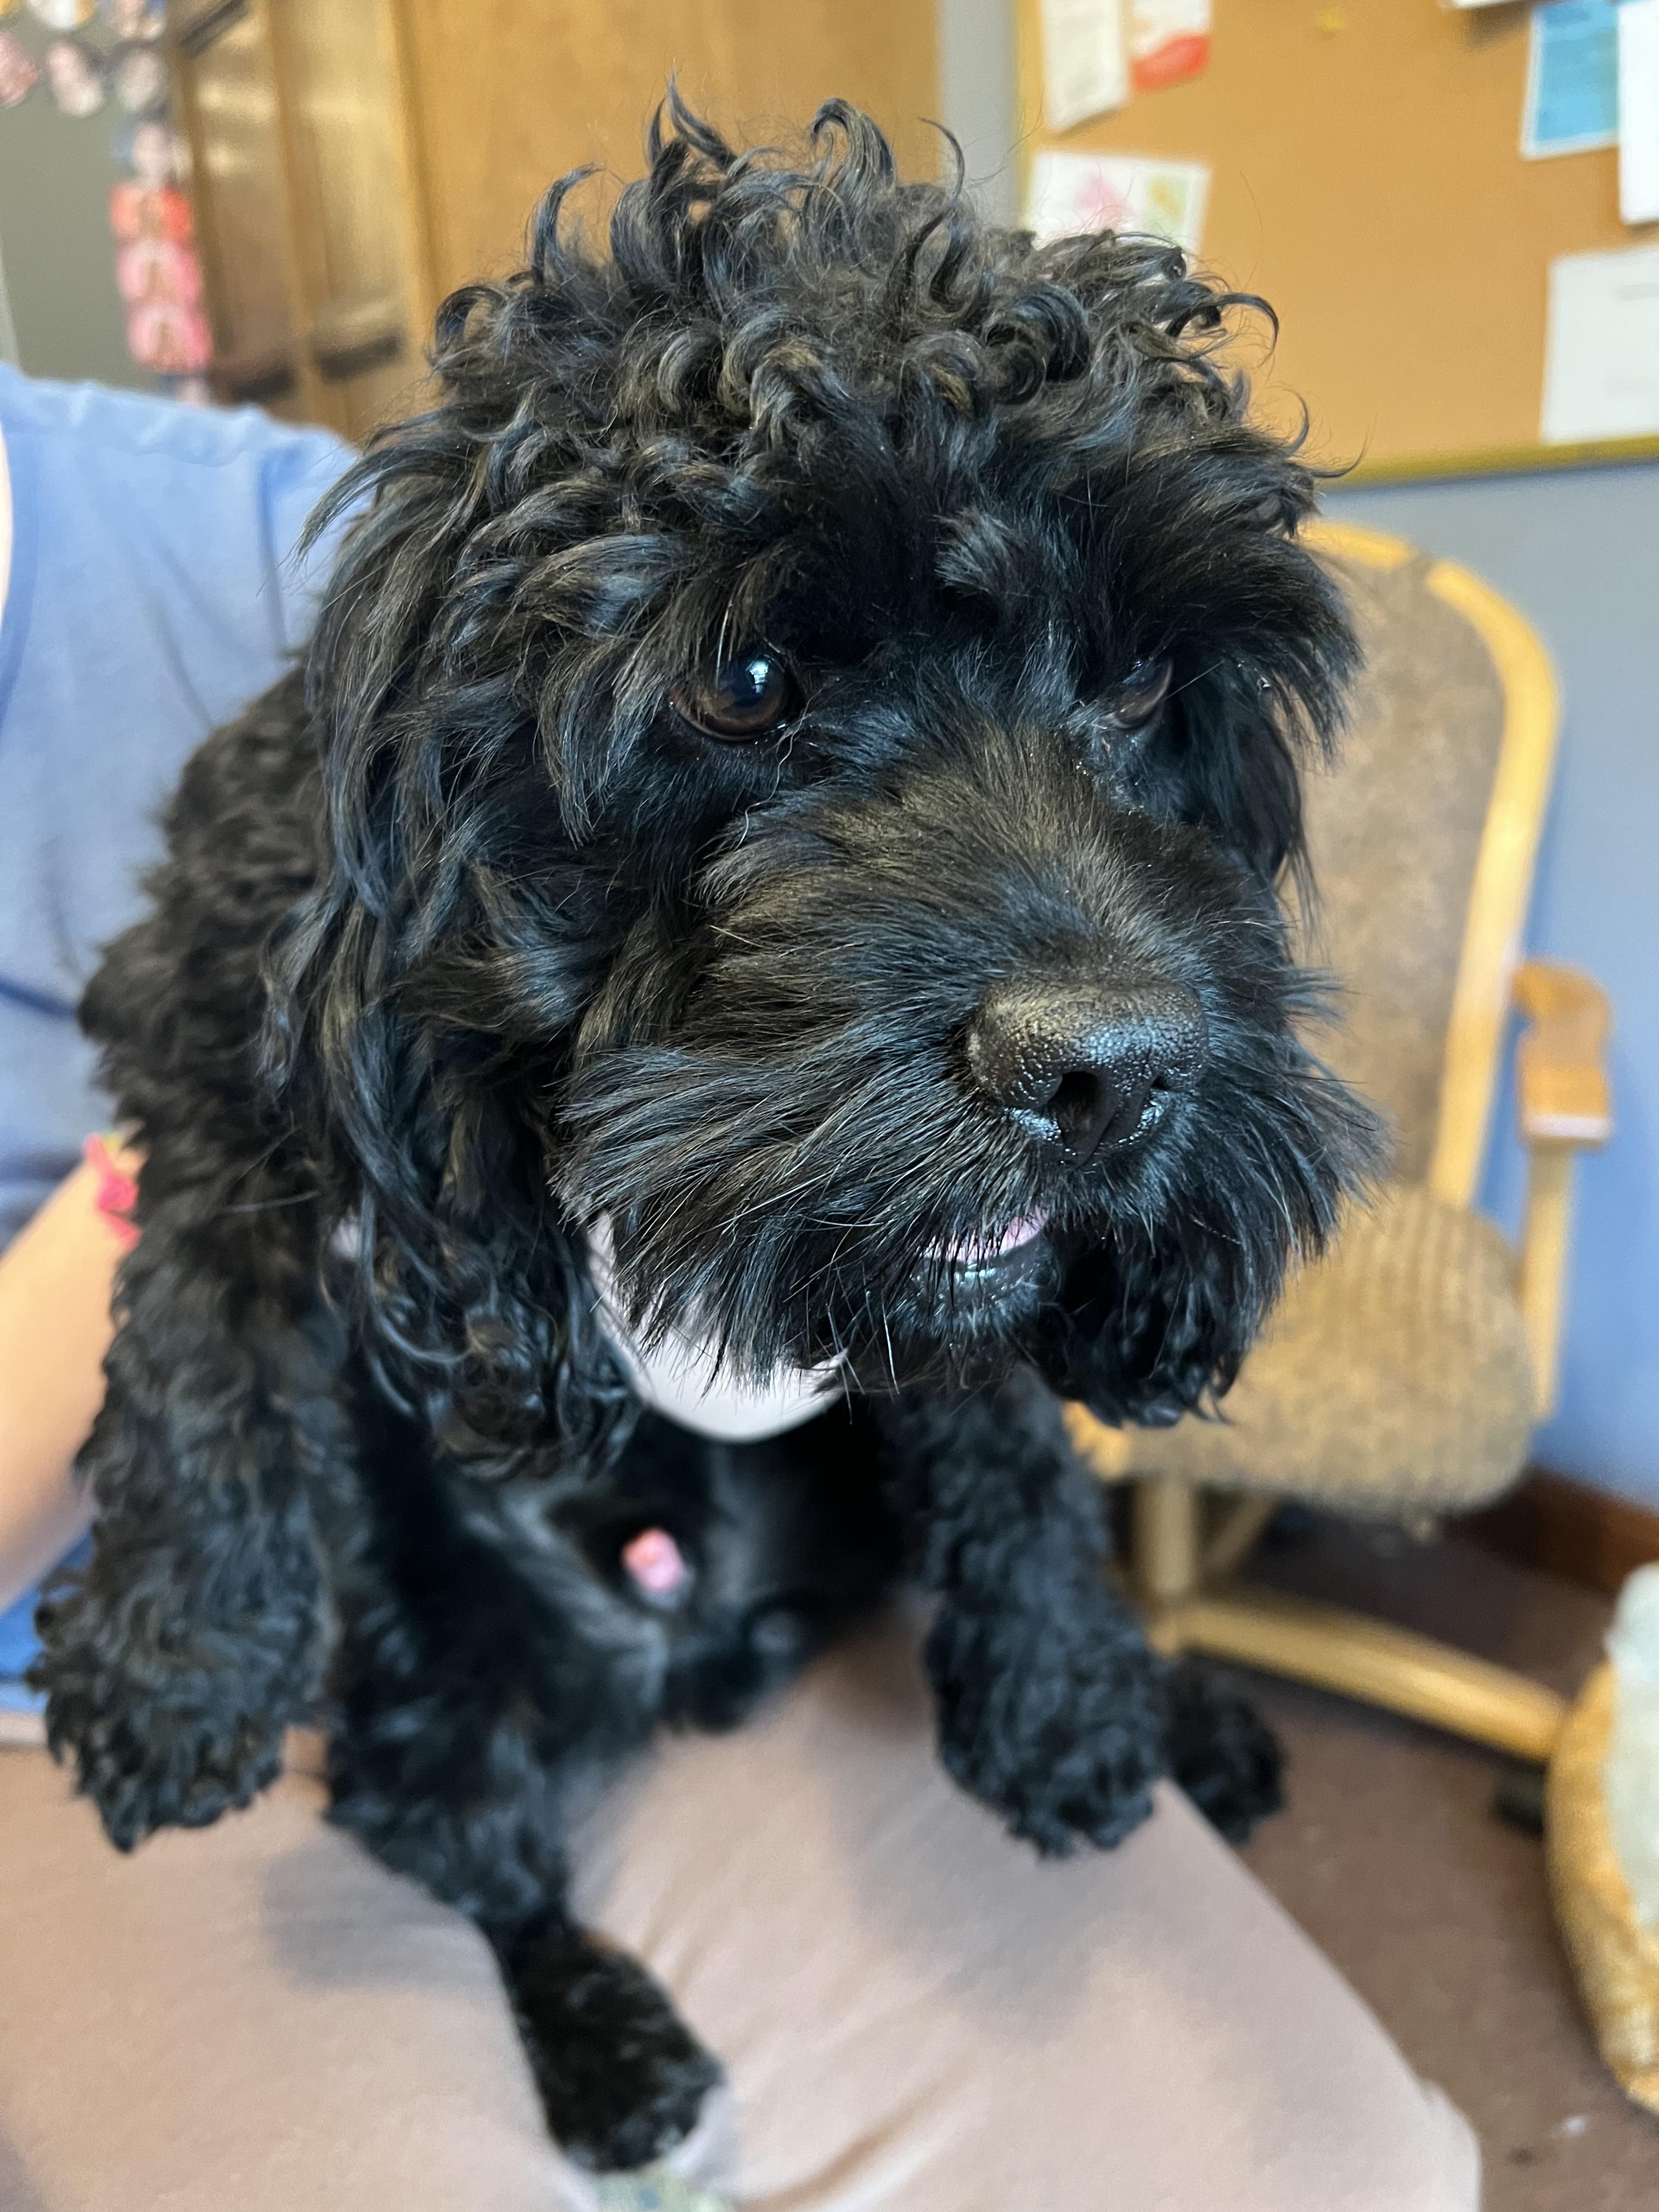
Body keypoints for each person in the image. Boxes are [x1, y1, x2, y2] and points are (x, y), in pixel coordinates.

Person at [0, 366, 1480, 2212]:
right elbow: (220, 1158)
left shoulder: (258, 512)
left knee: (1346, 2171)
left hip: (755, 1489)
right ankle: (541, 1958)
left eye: (1118, 693)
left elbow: (970, 1306)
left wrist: (1035, 1604)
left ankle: (1029, 1648)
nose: (1091, 994)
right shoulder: (386, 709)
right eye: (758, 685)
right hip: (352, 1552)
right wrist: (199, 1590)